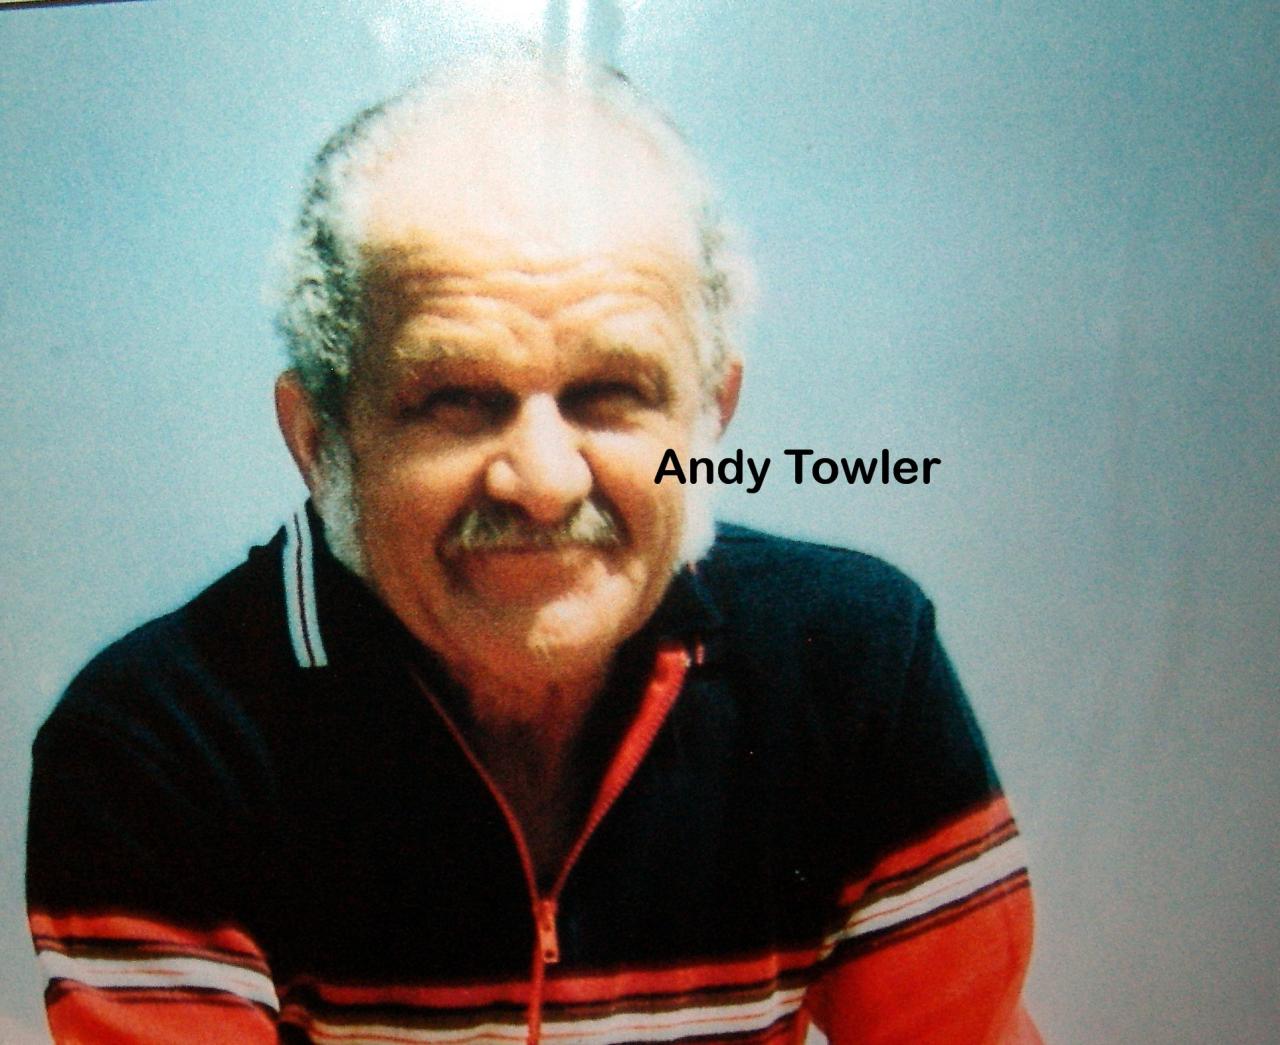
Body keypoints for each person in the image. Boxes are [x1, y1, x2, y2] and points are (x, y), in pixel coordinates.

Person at [26, 59, 1040, 1044]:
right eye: (455, 399)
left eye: (611, 393)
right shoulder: (155, 742)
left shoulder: (853, 664)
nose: (544, 481)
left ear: (708, 418)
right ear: (320, 441)